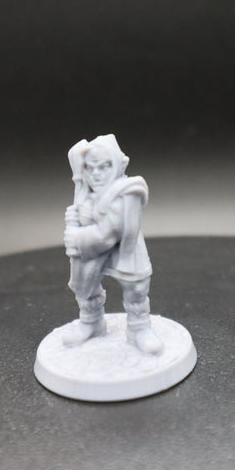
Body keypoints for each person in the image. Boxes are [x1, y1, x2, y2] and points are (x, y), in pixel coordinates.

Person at [62, 134, 163, 354]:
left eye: (103, 167)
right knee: (85, 286)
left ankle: (139, 328)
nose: (96, 174)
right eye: (90, 168)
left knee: (136, 289)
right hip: (92, 252)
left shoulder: (127, 192)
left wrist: (77, 238)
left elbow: (110, 232)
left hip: (124, 250)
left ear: (118, 165)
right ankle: (91, 322)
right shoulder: (88, 194)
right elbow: (87, 214)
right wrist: (78, 215)